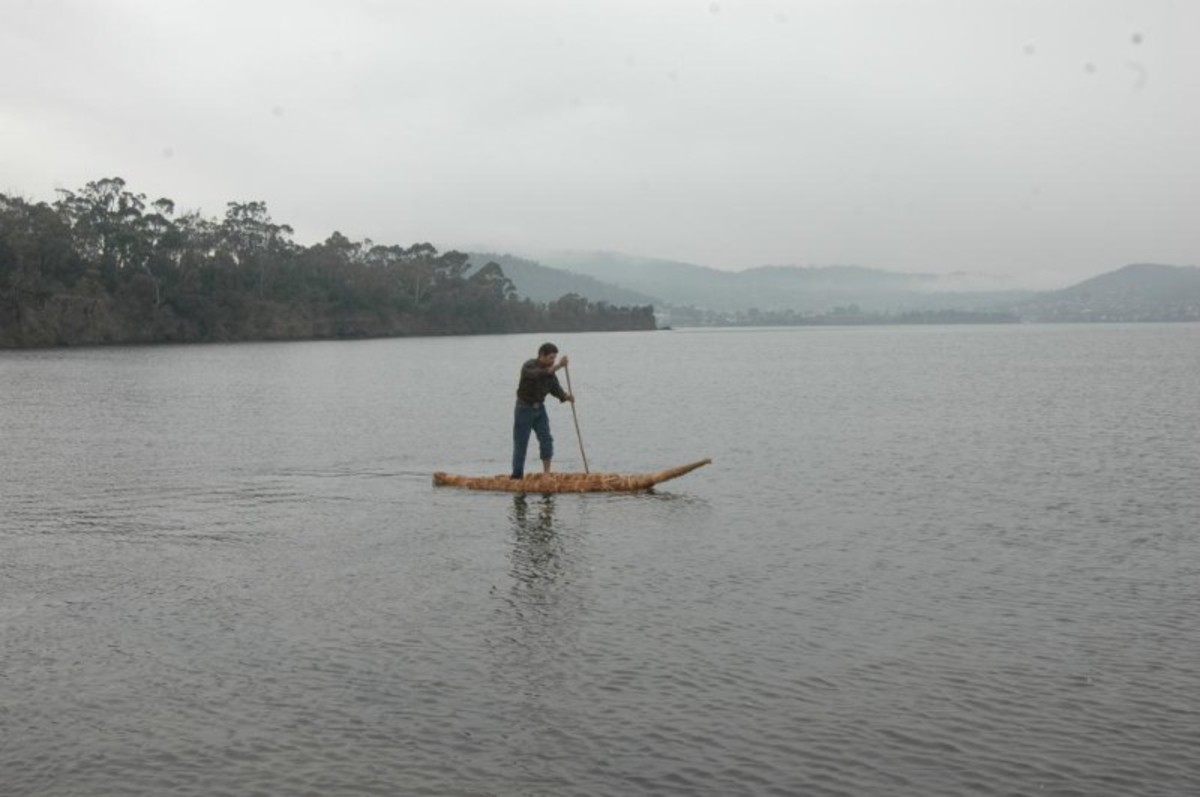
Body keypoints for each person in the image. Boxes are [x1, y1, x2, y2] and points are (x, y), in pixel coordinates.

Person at [511, 342, 574, 479]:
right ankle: (517, 476)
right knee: (521, 443)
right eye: (551, 357)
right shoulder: (528, 366)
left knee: (546, 439)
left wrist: (567, 397)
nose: (553, 361)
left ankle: (546, 474)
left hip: (540, 410)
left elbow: (555, 389)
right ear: (541, 356)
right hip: (524, 409)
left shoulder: (551, 371)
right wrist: (559, 366)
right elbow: (538, 374)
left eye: (555, 358)